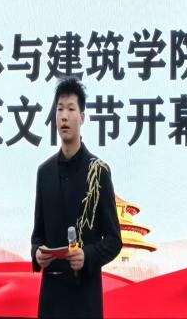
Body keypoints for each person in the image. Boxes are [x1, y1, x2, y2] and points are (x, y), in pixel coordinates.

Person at [31, 77, 122, 318]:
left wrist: (87, 255)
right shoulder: (44, 173)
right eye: (59, 109)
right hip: (51, 300)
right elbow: (38, 235)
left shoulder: (98, 171)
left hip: (85, 299)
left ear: (82, 117)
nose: (64, 116)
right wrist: (37, 254)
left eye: (71, 109)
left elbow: (114, 240)